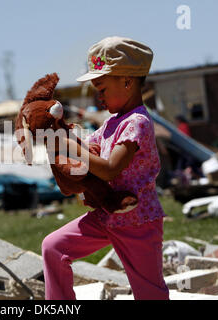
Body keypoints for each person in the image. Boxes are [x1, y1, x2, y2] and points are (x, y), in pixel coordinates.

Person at [42, 36, 169, 300]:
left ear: (127, 81)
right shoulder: (112, 123)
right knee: (53, 247)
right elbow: (86, 149)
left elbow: (110, 168)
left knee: (149, 292)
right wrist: (55, 135)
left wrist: (71, 147)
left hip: (138, 221)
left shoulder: (137, 123)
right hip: (107, 215)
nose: (99, 97)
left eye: (102, 88)